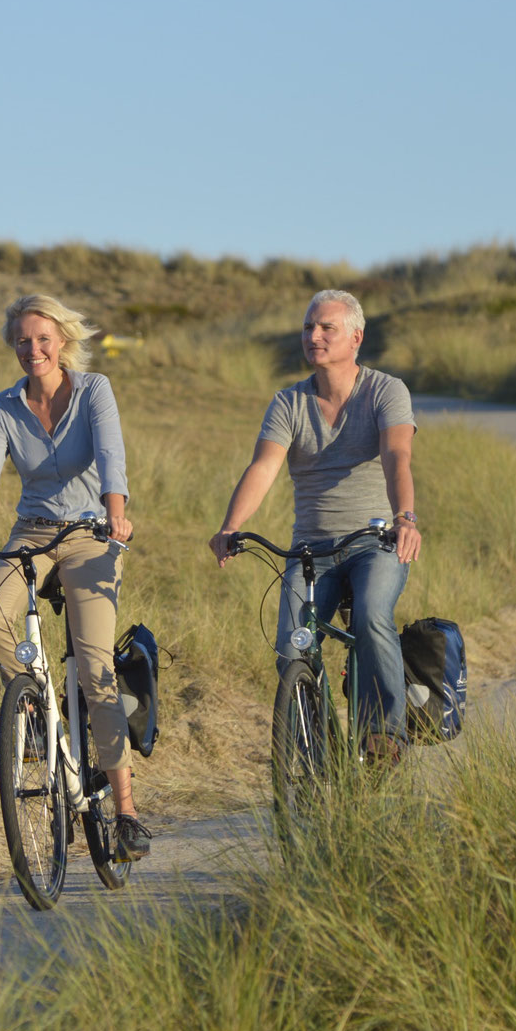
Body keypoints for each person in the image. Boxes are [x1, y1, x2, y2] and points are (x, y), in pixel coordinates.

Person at [0, 293, 150, 859]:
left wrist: (117, 514)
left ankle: (126, 812)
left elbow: (112, 456)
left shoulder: (94, 390)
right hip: (31, 533)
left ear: (62, 341)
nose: (33, 349)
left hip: (90, 535)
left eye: (43, 339)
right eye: (23, 341)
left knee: (96, 668)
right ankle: (36, 713)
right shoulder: (4, 407)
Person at [208, 289, 422, 759]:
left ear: (356, 337)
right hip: (310, 552)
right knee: (291, 647)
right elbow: (263, 467)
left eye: (327, 327)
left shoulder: (386, 391)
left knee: (370, 615)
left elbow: (396, 456)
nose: (314, 335)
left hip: (375, 543)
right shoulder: (288, 402)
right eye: (309, 327)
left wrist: (405, 518)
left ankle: (385, 734)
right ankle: (310, 753)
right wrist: (230, 526)